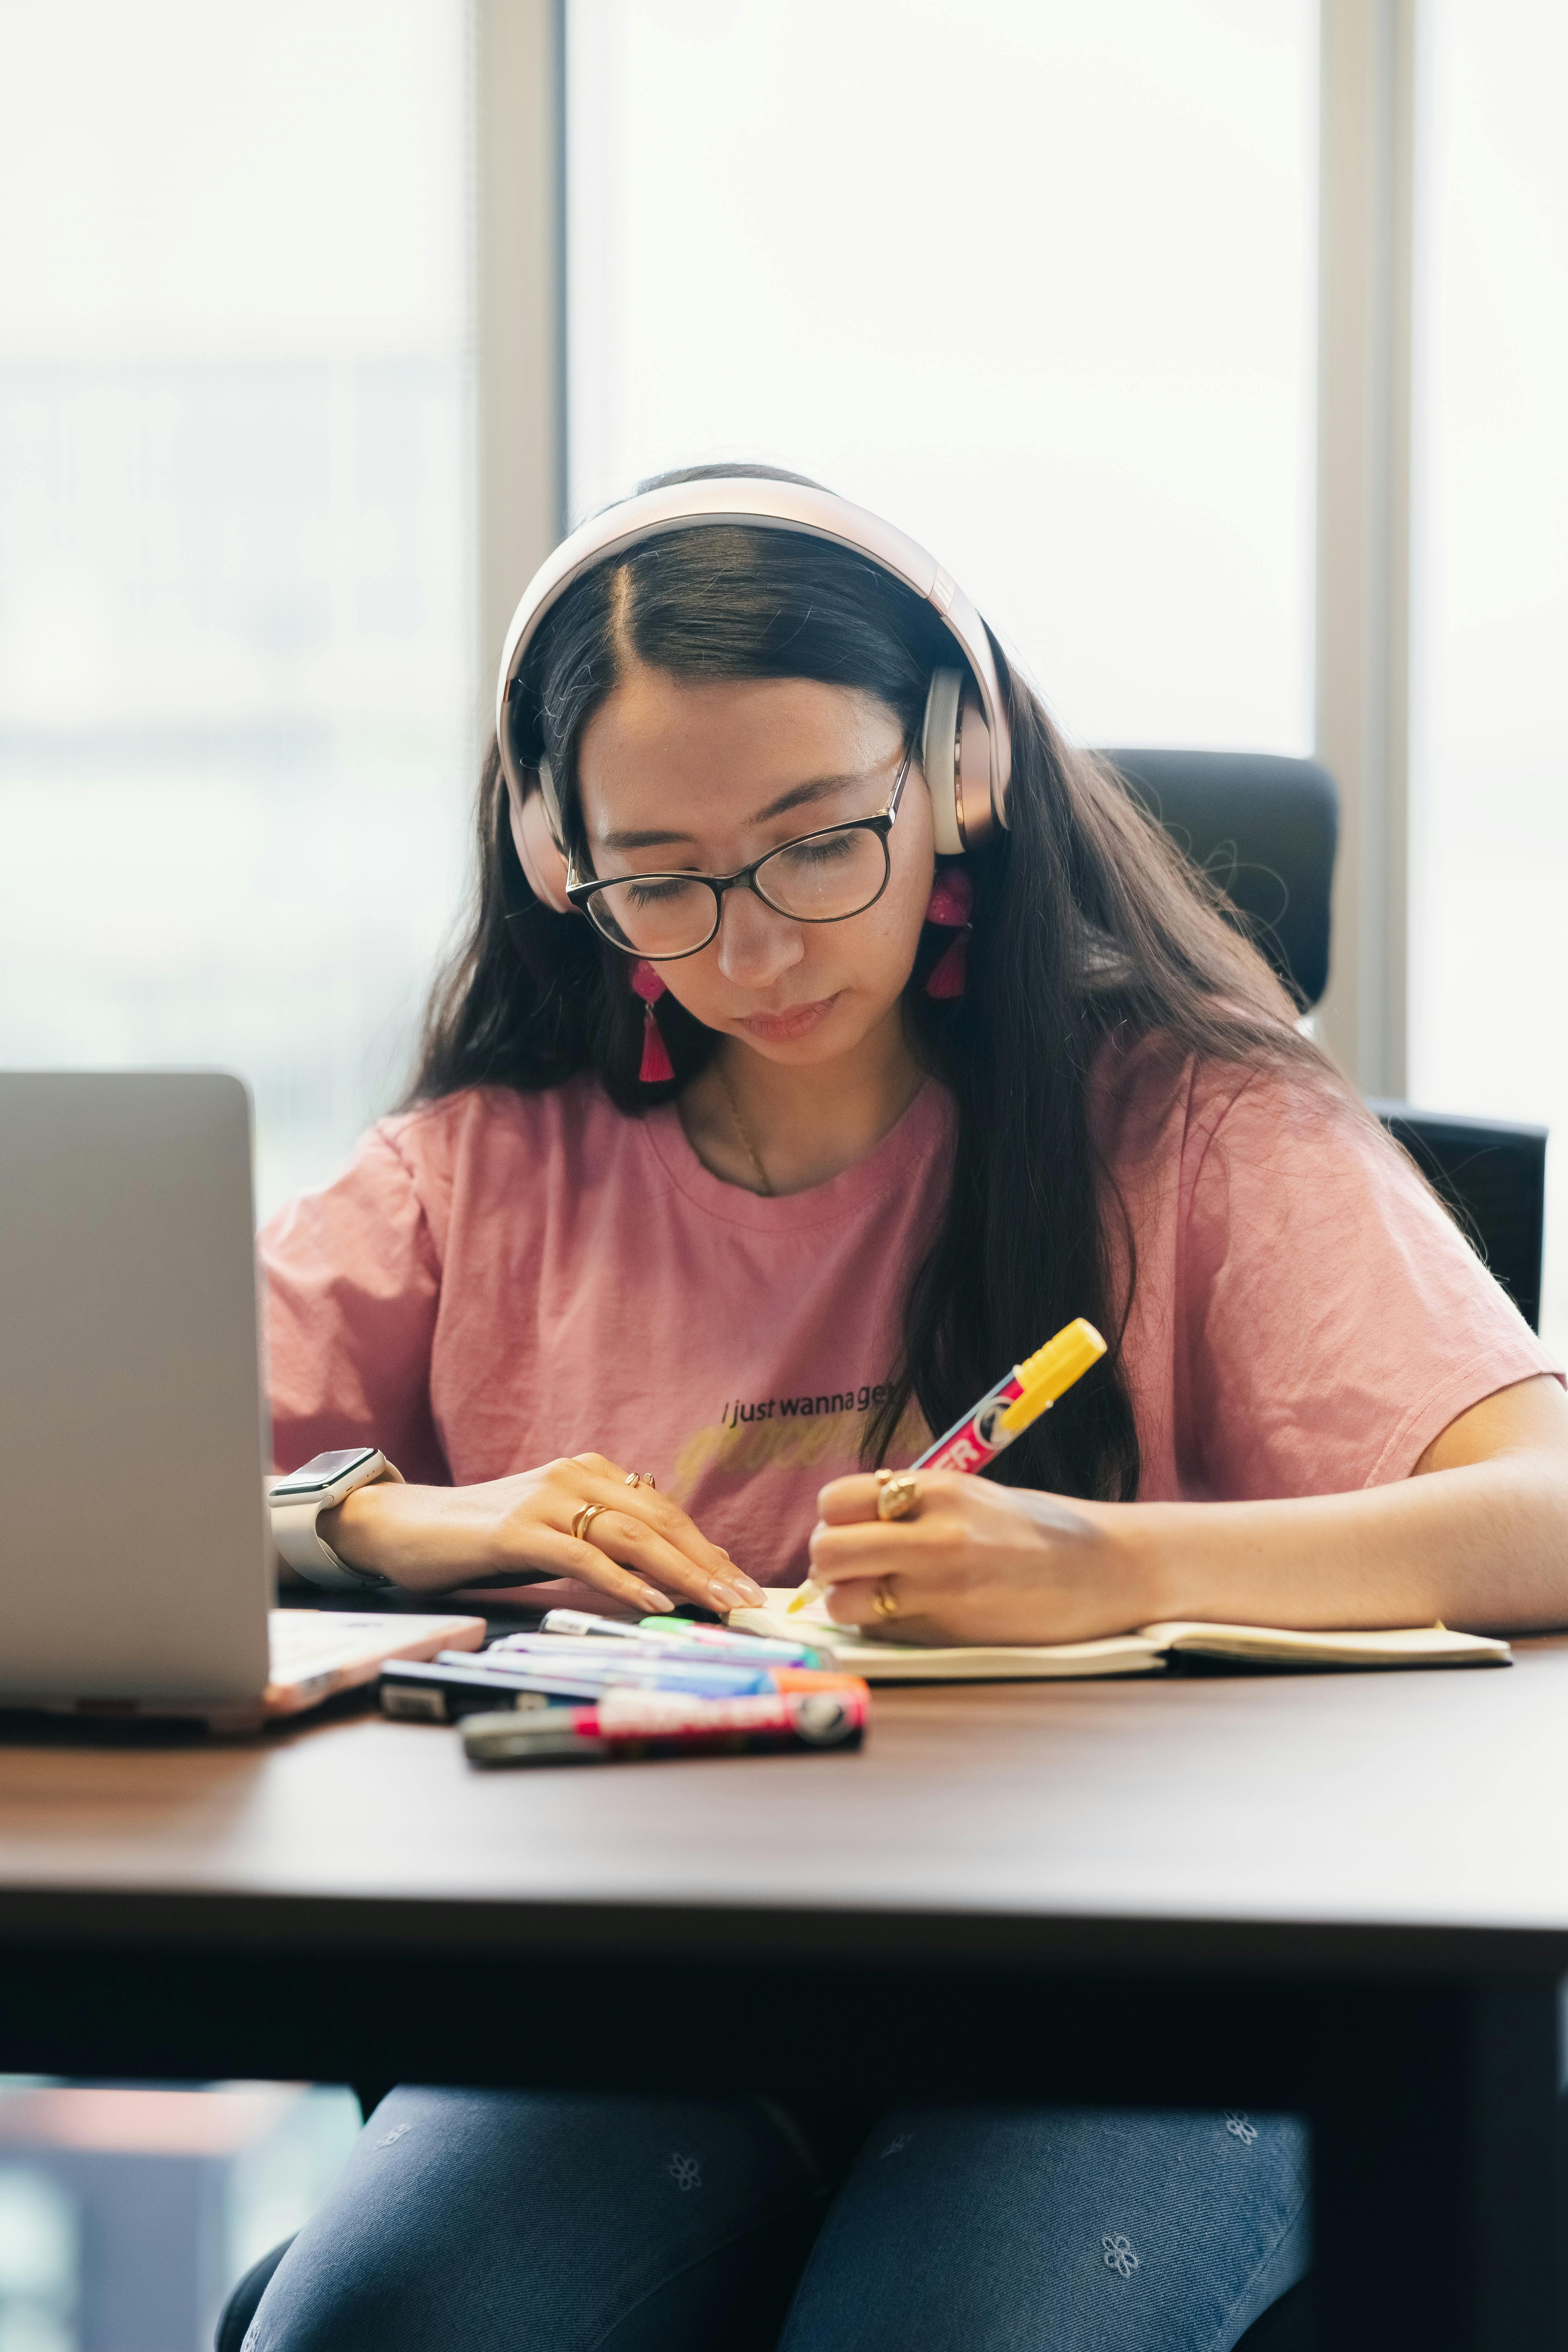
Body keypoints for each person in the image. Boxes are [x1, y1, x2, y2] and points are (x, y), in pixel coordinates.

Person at [228, 467, 1566, 2351]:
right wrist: (374, 1521)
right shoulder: (483, 1175)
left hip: (1157, 1983)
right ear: (554, 856)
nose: (755, 942)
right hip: (652, 2001)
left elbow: (1551, 1509)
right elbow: (67, 1489)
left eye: (815, 841)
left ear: (963, 763)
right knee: (382, 2324)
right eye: (665, 879)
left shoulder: (1190, 1121)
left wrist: (1112, 1567)